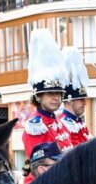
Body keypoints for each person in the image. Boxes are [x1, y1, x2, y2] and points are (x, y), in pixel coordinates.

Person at [20, 30, 72, 171]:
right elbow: (42, 169)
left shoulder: (58, 123)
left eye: (58, 93)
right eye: (50, 93)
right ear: (38, 96)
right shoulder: (35, 126)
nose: (56, 98)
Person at [59, 46, 92, 148]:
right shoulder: (63, 124)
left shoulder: (79, 123)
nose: (85, 102)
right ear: (70, 100)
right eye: (81, 99)